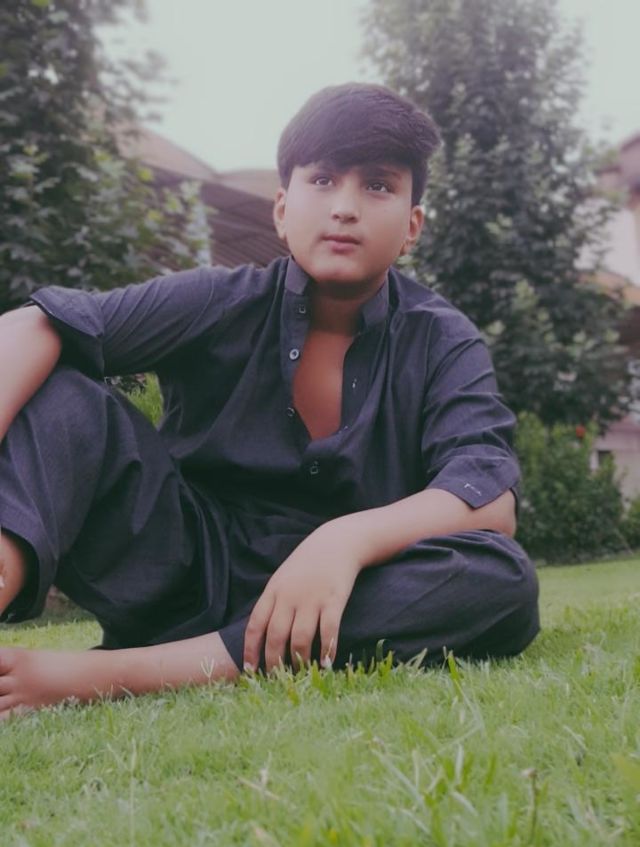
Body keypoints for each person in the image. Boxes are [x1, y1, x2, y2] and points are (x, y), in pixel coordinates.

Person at [0, 83, 539, 717]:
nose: (345, 208)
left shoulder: (443, 339)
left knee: (501, 577)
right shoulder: (218, 299)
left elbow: (488, 497)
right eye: (323, 180)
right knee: (58, 391)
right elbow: (36, 324)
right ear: (282, 209)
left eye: (378, 185)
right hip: (179, 567)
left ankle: (122, 674)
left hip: (340, 604)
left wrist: (345, 541)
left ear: (412, 227)